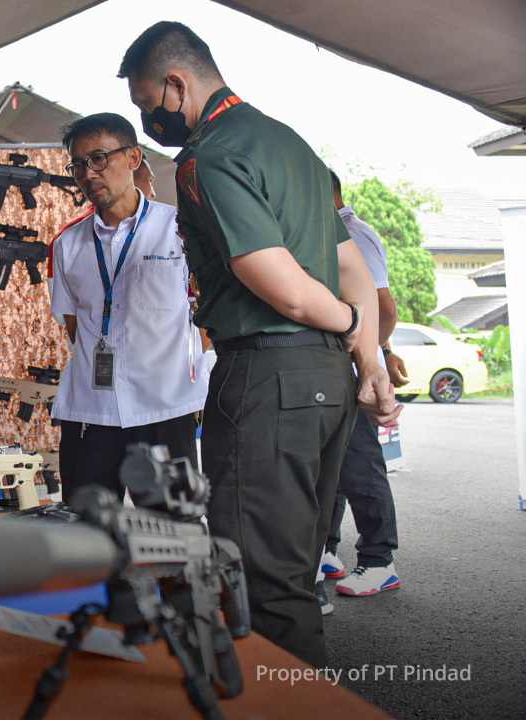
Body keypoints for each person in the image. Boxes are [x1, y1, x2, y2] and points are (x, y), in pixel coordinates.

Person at [120, 21, 399, 668]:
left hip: (271, 380)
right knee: (294, 573)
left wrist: (339, 323)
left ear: (175, 83)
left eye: (145, 105)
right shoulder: (289, 143)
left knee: (263, 588)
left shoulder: (208, 155)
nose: (147, 122)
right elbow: (353, 267)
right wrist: (367, 354)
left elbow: (287, 290)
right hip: (325, 385)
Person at [49, 112, 207, 505]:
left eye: (99, 159)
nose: (88, 174)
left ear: (134, 158)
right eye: (78, 165)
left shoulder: (179, 229)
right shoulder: (67, 245)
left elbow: (204, 315)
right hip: (90, 414)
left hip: (164, 411)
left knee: (172, 538)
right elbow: (74, 325)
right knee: (87, 542)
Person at [321, 170, 409, 599]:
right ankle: (326, 549)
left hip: (354, 372)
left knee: (360, 467)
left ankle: (379, 561)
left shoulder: (354, 234)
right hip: (332, 371)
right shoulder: (326, 232)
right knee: (331, 466)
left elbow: (383, 307)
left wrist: (371, 359)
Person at [47, 156, 156, 325]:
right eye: (149, 181)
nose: (153, 192)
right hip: (91, 348)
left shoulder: (172, 228)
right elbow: (64, 315)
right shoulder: (67, 239)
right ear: (130, 179)